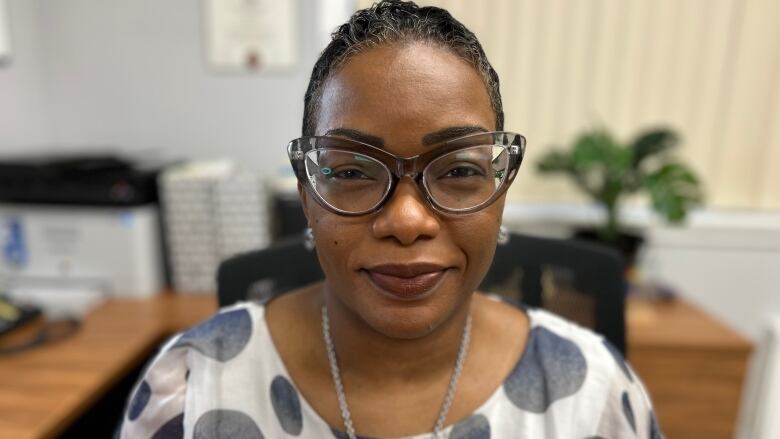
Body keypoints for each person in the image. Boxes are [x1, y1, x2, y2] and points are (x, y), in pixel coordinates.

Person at [119, 1, 662, 438]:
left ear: (498, 193)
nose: (407, 220)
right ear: (307, 194)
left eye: (457, 170)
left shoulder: (592, 396)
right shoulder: (192, 388)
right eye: (353, 172)